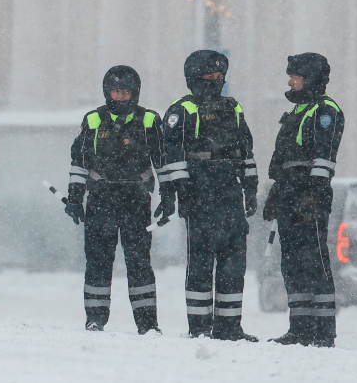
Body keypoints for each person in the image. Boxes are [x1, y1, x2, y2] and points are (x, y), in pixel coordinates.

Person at [155, 50, 259, 341]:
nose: (215, 82)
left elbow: (246, 151)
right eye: (208, 77)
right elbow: (171, 155)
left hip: (229, 192)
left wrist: (250, 187)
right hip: (201, 192)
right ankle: (200, 327)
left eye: (219, 77)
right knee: (201, 261)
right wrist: (180, 192)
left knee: (233, 261)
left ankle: (230, 327)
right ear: (194, 78)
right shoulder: (182, 110)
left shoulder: (232, 107)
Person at [64, 65, 164, 334]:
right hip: (100, 200)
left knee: (139, 262)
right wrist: (75, 197)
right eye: (115, 91)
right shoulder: (93, 120)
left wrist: (169, 197)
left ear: (135, 93)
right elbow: (80, 163)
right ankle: (95, 319)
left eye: (125, 91)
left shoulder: (150, 120)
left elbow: (162, 162)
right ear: (107, 92)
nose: (120, 97)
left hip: (136, 201)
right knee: (97, 261)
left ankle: (148, 324)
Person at [263, 52, 344, 347]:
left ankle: (323, 331)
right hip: (289, 192)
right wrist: (277, 189)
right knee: (292, 261)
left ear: (309, 78)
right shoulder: (299, 110)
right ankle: (300, 327)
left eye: (294, 76)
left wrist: (313, 192)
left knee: (315, 260)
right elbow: (285, 157)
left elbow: (323, 157)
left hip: (309, 194)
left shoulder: (325, 111)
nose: (289, 81)